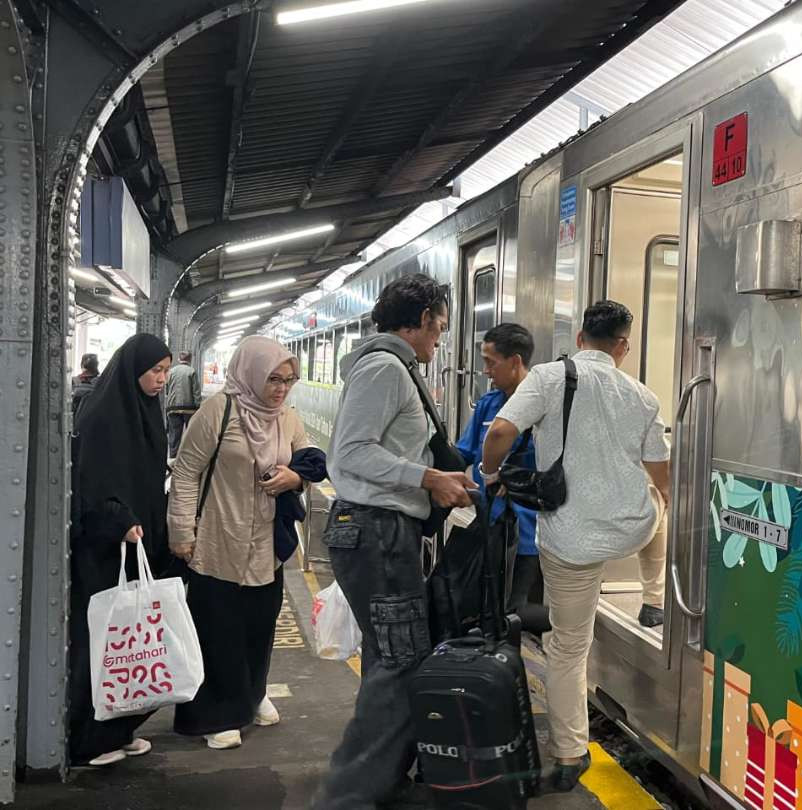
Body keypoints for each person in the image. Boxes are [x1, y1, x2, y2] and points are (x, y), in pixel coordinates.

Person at [481, 300, 670, 792]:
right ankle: (654, 598)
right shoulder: (643, 395)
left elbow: (501, 431)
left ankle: (569, 754)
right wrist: (660, 501)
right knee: (661, 511)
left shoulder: (548, 376)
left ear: (581, 337)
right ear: (623, 346)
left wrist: (490, 473)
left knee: (568, 646)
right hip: (632, 527)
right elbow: (662, 473)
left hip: (572, 539)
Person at [315, 274, 475, 810]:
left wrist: (448, 479)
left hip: (382, 532)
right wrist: (428, 480)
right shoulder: (385, 369)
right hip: (376, 533)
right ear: (424, 318)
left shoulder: (394, 368)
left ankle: (380, 779)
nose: (440, 340)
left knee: (394, 657)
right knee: (398, 663)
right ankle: (350, 795)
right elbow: (350, 454)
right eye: (440, 328)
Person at [168, 336, 311, 750]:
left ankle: (252, 693)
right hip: (218, 539)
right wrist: (182, 533)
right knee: (218, 629)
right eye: (273, 379)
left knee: (259, 624)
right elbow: (186, 473)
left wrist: (295, 477)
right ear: (250, 373)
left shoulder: (287, 417)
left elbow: (308, 458)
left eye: (289, 380)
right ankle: (216, 714)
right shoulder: (218, 411)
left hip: (268, 545)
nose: (281, 388)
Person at [68, 334, 172, 766]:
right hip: (106, 548)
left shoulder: (144, 410)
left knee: (133, 643)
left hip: (138, 543)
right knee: (106, 640)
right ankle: (88, 739)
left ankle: (120, 727)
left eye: (166, 371)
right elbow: (91, 485)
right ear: (133, 370)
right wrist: (120, 520)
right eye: (155, 371)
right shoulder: (102, 415)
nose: (162, 380)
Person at [456, 323, 549, 635]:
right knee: (484, 605)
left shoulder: (546, 407)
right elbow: (464, 453)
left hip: (525, 533)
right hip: (488, 524)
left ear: (516, 361)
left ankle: (569, 621)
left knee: (512, 611)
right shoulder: (488, 404)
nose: (485, 371)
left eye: (491, 362)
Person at [165, 350, 202, 457]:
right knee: (191, 434)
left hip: (173, 407)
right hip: (189, 409)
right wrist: (198, 407)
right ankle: (188, 458)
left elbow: (167, 390)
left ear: (179, 359)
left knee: (174, 435)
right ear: (190, 359)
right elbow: (196, 392)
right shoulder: (192, 371)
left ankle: (172, 457)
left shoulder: (171, 371)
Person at [72, 352, 100, 418]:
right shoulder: (101, 381)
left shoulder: (74, 381)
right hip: (93, 418)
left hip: (75, 420)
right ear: (96, 365)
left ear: (82, 364)